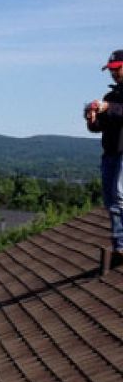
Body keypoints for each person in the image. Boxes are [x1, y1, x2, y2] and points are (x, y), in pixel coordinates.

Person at [84, 49, 123, 253]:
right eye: (111, 70)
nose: (114, 73)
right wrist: (92, 118)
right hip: (110, 153)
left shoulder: (111, 100)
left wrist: (108, 107)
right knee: (110, 200)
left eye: (117, 69)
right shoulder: (111, 95)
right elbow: (98, 127)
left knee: (119, 196)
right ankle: (119, 243)